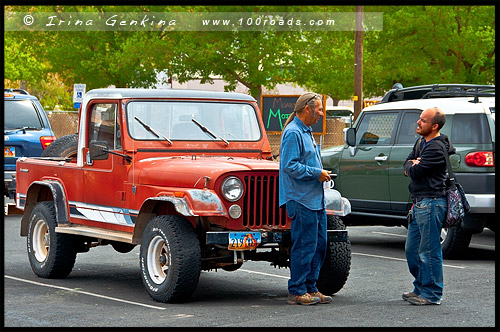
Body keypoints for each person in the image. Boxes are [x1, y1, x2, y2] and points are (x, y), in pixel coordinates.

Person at [279, 92, 333, 306]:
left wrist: (318, 172)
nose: (321, 113)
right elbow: (289, 166)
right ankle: (297, 290)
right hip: (300, 199)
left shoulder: (307, 131)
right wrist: (316, 173)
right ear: (308, 109)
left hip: (314, 199)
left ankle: (311, 287)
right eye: (319, 109)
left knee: (319, 244)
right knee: (304, 245)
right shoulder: (293, 133)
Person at [403, 107, 455, 305]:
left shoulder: (435, 148)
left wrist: (413, 167)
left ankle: (432, 294)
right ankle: (421, 287)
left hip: (432, 203)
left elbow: (415, 172)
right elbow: (407, 164)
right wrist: (411, 165)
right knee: (412, 250)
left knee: (429, 251)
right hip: (419, 203)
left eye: (423, 121)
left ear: (434, 126)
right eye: (419, 119)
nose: (418, 122)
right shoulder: (421, 143)